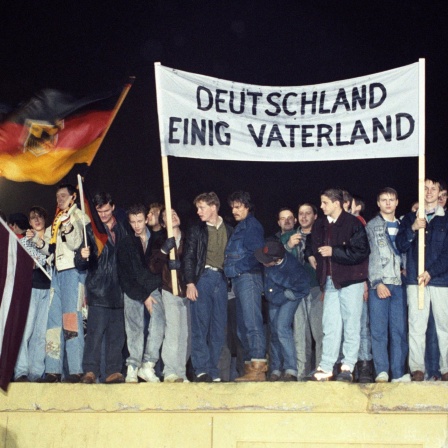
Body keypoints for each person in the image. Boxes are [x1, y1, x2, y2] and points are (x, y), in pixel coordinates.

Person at [307, 188, 370, 382]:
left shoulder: (353, 223)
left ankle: (348, 366)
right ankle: (326, 366)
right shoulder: (320, 225)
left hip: (352, 281)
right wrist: (310, 255)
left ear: (336, 203)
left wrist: (334, 252)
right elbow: (312, 245)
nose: (321, 206)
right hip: (330, 281)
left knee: (351, 324)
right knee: (330, 325)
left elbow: (362, 252)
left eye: (325, 202)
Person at [36, 184, 90, 383]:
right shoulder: (57, 219)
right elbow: (49, 251)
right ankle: (53, 369)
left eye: (64, 195)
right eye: (57, 196)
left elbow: (76, 244)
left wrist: (68, 227)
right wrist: (38, 243)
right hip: (56, 274)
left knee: (71, 319)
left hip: (73, 273)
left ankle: (76, 369)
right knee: (53, 322)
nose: (60, 199)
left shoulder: (80, 217)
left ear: (73, 197)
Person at [396, 178, 448, 381]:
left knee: (444, 326)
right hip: (415, 281)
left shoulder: (445, 219)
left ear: (440, 192)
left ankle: (445, 369)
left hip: (441, 281)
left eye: (433, 188)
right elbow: (400, 246)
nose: (429, 192)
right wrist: (413, 229)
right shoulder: (410, 218)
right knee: (416, 325)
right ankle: (417, 368)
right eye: (424, 188)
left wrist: (431, 272)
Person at [76, 193, 127, 384]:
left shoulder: (124, 229)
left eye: (106, 210)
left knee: (117, 335)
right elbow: (80, 264)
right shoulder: (91, 230)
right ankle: (90, 370)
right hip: (98, 291)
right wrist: (82, 256)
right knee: (95, 335)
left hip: (120, 291)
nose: (103, 214)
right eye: (99, 211)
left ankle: (113, 371)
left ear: (113, 207)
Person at [183, 192, 233, 382]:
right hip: (202, 278)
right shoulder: (197, 229)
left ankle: (213, 370)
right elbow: (188, 256)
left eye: (201, 207)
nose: (198, 212)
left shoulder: (230, 229)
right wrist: (190, 282)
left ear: (213, 207)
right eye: (197, 208)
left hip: (221, 281)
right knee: (200, 326)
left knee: (219, 329)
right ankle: (201, 369)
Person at [366, 187, 409, 383]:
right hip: (380, 285)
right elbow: (371, 256)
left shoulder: (403, 224)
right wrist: (376, 282)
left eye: (391, 199)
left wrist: (406, 269)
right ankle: (382, 371)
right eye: (384, 200)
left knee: (399, 330)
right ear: (378, 203)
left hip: (399, 284)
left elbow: (407, 250)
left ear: (397, 202)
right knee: (378, 330)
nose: (388, 203)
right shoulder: (372, 226)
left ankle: (398, 372)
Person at [224, 191, 266, 382]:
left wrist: (235, 268)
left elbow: (256, 254)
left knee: (252, 323)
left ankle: (258, 367)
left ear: (247, 207)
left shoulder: (252, 226)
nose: (234, 210)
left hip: (249, 278)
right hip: (240, 280)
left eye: (238, 206)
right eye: (233, 207)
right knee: (242, 327)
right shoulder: (241, 226)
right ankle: (250, 367)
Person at [116, 204, 161, 383]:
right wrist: (143, 296)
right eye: (133, 221)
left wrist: (149, 294)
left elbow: (157, 269)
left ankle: (148, 364)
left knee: (160, 320)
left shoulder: (157, 240)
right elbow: (125, 276)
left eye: (140, 221)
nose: (137, 225)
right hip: (133, 290)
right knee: (134, 327)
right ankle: (132, 366)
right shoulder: (125, 244)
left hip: (152, 288)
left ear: (146, 219)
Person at [255, 241, 309, 381]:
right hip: (274, 299)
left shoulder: (292, 266)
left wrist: (288, 294)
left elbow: (303, 286)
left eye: (266, 261)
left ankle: (291, 369)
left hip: (287, 298)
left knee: (282, 328)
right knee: (273, 331)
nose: (263, 263)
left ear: (277, 260)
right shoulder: (269, 261)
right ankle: (276, 368)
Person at [149, 207, 190, 382]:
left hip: (186, 291)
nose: (173, 216)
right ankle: (169, 370)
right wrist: (164, 252)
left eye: (175, 213)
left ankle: (181, 371)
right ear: (163, 222)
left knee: (185, 333)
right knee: (173, 330)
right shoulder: (160, 241)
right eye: (168, 216)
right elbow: (153, 266)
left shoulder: (189, 239)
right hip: (169, 289)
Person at [14, 206, 51, 382]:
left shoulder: (52, 238)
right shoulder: (24, 242)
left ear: (45, 219)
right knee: (25, 331)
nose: (36, 220)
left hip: (48, 290)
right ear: (29, 222)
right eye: (32, 218)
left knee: (41, 334)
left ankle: (36, 373)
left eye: (39, 217)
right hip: (29, 290)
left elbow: (53, 258)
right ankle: (21, 370)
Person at [289, 203, 323, 380]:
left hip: (318, 288)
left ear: (315, 216)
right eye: (300, 213)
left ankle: (320, 372)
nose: (304, 217)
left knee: (319, 332)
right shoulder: (291, 236)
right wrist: (288, 246)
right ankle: (302, 374)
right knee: (301, 335)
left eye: (308, 213)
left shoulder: (322, 234)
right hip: (298, 291)